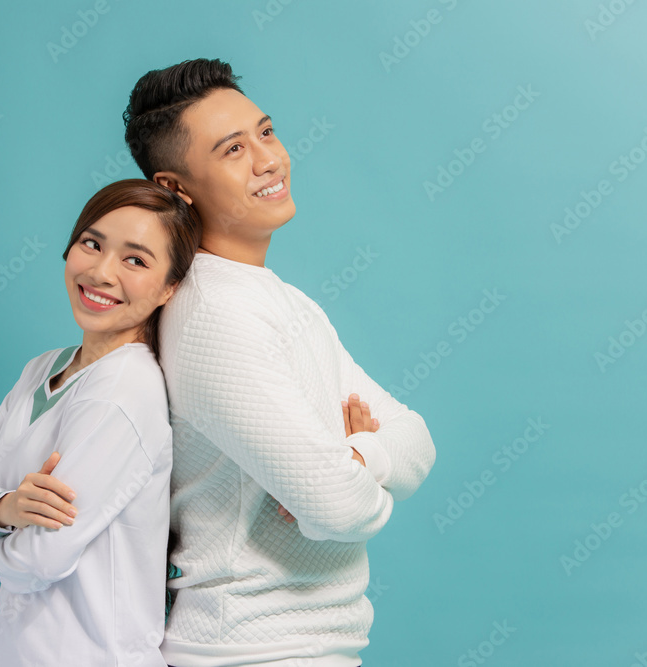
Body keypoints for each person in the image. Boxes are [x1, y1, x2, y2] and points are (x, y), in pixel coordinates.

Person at [122, 59, 438, 666]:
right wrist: (348, 478)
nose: (268, 159)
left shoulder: (280, 301)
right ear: (175, 187)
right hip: (251, 647)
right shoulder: (215, 314)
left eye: (265, 133)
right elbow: (338, 507)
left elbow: (417, 441)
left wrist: (356, 458)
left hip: (307, 646)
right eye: (233, 149)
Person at [0, 179, 201, 666]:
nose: (101, 272)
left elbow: (42, 558)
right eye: (92, 243)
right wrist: (7, 508)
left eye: (136, 260)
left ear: (171, 287)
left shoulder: (124, 392)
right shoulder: (41, 370)